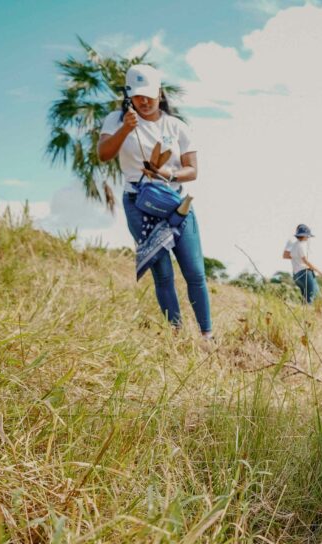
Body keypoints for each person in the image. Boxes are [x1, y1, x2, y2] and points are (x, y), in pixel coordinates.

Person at [98, 64, 212, 339]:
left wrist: (167, 172)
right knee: (162, 274)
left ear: (160, 93)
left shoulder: (177, 126)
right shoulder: (116, 119)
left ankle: (207, 335)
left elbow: (192, 170)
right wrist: (125, 129)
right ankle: (176, 334)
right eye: (137, 96)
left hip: (176, 202)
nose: (144, 101)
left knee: (194, 272)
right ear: (129, 96)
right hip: (139, 203)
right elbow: (103, 154)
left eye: (149, 94)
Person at [283, 224, 322, 304]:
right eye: (308, 236)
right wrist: (320, 272)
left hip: (296, 275)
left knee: (305, 298)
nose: (308, 238)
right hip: (305, 274)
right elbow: (306, 261)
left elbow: (289, 256)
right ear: (305, 236)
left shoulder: (294, 245)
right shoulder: (301, 245)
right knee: (313, 297)